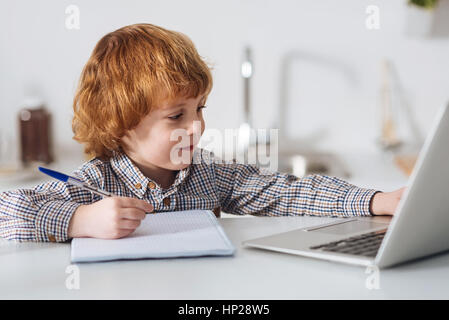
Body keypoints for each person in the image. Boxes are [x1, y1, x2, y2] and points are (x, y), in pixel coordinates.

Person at [0, 23, 404, 242]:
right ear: (121, 124)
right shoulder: (91, 184)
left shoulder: (207, 174)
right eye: (176, 116)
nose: (197, 126)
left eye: (199, 110)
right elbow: (7, 211)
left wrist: (376, 200)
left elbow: (287, 191)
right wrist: (79, 220)